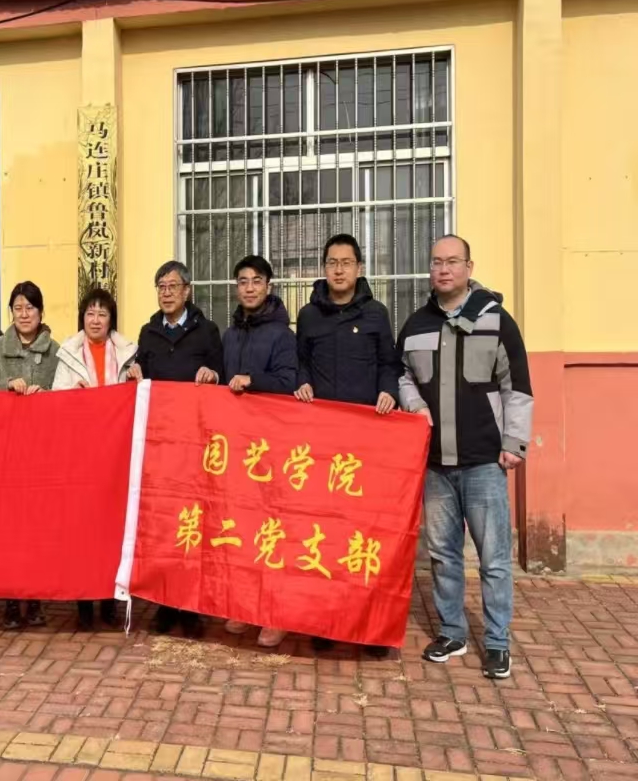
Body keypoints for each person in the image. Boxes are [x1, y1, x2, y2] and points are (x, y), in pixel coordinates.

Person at [398, 235, 532, 680]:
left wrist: (514, 443)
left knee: (493, 558)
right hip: (436, 464)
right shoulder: (416, 323)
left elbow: (518, 386)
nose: (444, 269)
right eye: (437, 262)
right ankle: (452, 632)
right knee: (443, 554)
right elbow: (402, 375)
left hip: (484, 462)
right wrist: (414, 404)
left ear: (469, 267)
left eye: (453, 261)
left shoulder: (497, 321)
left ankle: (496, 642)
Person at [294, 233, 401, 658]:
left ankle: (371, 628)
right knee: (327, 535)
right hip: (323, 445)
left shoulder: (376, 313)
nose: (338, 270)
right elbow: (301, 362)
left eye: (346, 262)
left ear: (359, 268)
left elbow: (389, 364)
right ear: (324, 268)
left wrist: (388, 390)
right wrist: (303, 381)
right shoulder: (308, 315)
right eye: (332, 262)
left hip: (366, 445)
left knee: (368, 536)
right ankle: (327, 622)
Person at [128, 260, 222, 639]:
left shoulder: (207, 331)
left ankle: (192, 606)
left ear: (187, 290)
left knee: (194, 525)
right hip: (160, 445)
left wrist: (213, 375)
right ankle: (165, 603)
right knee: (163, 524)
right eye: (161, 287)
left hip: (195, 445)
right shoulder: (148, 332)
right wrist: (134, 372)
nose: (166, 293)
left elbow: (220, 374)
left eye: (172, 286)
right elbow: (140, 374)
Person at [221, 254, 297, 648]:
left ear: (268, 286)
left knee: (273, 532)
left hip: (271, 448)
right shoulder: (231, 334)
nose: (249, 288)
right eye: (242, 281)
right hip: (238, 446)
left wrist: (253, 380)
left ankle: (275, 614)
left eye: (256, 281)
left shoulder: (282, 334)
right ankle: (246, 606)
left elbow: (289, 382)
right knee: (243, 528)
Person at [0, 280, 60, 629]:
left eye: (31, 308)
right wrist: (5, 387)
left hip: (41, 454)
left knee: (37, 528)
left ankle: (35, 599)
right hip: (6, 453)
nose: (24, 314)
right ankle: (11, 601)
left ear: (41, 312)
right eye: (18, 308)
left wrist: (47, 395)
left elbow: (68, 395)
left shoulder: (56, 351)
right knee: (9, 529)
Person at [53, 287, 137, 630]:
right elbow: (56, 400)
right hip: (80, 456)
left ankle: (109, 599)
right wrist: (74, 396)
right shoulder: (67, 354)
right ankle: (83, 602)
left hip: (115, 456)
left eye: (103, 313)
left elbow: (136, 399)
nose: (96, 320)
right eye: (90, 313)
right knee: (82, 529)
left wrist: (135, 381)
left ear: (111, 319)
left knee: (111, 529)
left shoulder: (128, 353)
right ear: (82, 318)